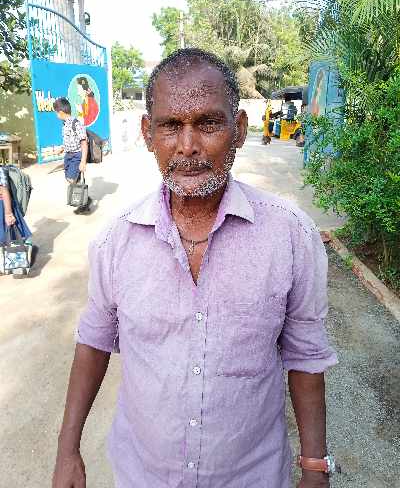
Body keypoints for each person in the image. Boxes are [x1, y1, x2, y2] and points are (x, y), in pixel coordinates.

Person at [53, 49, 338, 488]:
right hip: (143, 476)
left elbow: (306, 356)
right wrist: (67, 449)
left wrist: (315, 466)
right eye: (171, 126)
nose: (187, 146)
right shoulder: (116, 242)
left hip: (252, 477)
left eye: (207, 124)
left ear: (238, 130)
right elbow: (93, 342)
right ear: (148, 134)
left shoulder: (289, 235)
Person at [53, 97, 92, 214]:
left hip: (77, 155)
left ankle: (84, 201)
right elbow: (69, 140)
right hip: (68, 155)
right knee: (70, 178)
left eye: (56, 113)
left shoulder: (76, 123)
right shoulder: (65, 124)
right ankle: (85, 199)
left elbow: (84, 143)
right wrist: (62, 148)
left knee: (71, 178)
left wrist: (83, 162)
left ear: (61, 112)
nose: (56, 115)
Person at [0, 165, 31, 244]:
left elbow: (4, 190)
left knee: (14, 236)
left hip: (4, 206)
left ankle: (21, 249)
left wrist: (8, 214)